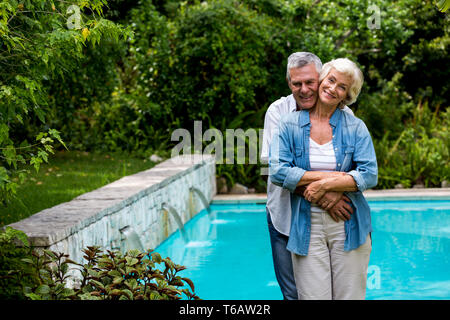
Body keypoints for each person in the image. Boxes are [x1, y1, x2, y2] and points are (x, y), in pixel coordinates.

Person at [269, 58, 378, 300]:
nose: (333, 88)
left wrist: (325, 185)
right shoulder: (289, 124)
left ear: (346, 96)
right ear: (322, 81)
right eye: (330, 80)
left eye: (342, 87)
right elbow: (278, 170)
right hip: (306, 225)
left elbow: (369, 174)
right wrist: (328, 179)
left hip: (349, 222)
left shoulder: (355, 126)